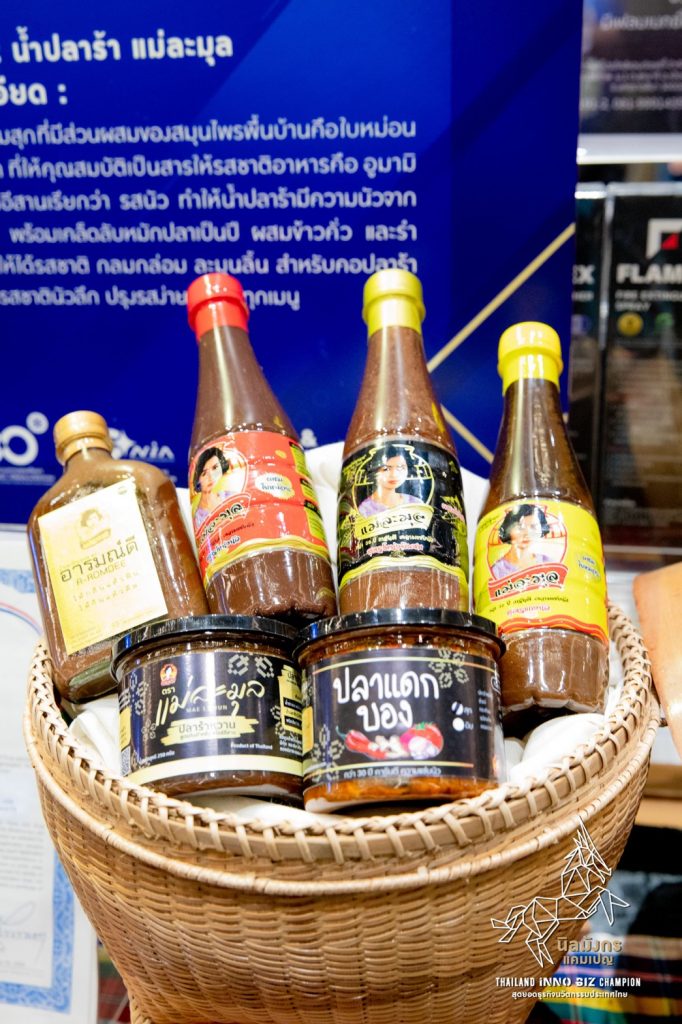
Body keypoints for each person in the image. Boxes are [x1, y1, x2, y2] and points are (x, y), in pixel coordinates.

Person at [490, 503, 551, 579]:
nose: (527, 533)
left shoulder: (548, 561)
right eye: (520, 527)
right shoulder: (497, 570)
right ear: (508, 530)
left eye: (533, 527)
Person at [357, 445, 421, 516]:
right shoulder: (365, 509)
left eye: (400, 468)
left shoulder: (415, 502)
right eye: (386, 469)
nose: (394, 474)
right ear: (374, 471)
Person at [192, 447, 237, 529]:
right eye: (204, 473)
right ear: (197, 479)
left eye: (215, 468)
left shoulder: (230, 496)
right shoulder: (198, 519)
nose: (211, 477)